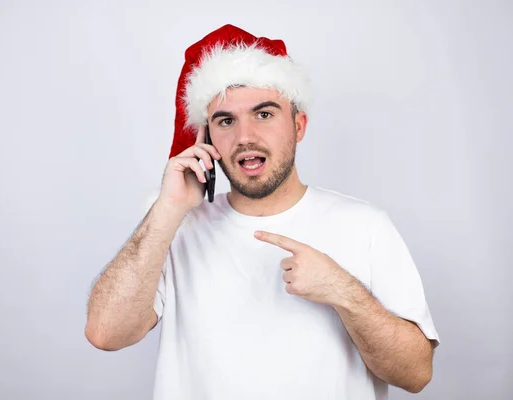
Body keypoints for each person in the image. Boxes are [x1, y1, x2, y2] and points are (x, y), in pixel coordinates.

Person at [85, 24, 440, 400]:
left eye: (264, 114)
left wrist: (343, 292)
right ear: (206, 138)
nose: (245, 137)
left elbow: (415, 374)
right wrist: (168, 209)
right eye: (226, 120)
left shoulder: (365, 226)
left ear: (298, 125)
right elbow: (106, 333)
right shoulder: (176, 228)